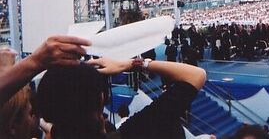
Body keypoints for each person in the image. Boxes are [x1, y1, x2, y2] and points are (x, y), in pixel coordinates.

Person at [37, 55, 206, 139]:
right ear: (101, 99)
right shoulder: (136, 130)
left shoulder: (59, 130)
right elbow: (195, 75)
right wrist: (134, 63)